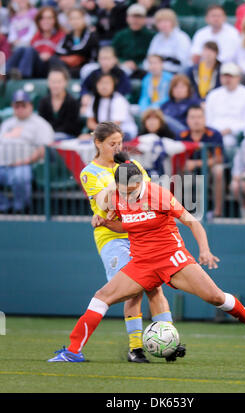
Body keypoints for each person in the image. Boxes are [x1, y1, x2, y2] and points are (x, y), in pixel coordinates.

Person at [48, 150, 245, 362]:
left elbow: (192, 222)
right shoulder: (115, 197)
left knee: (215, 297)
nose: (131, 193)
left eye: (135, 189)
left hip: (172, 259)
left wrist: (204, 250)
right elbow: (125, 227)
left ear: (141, 182)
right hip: (142, 263)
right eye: (126, 190)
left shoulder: (158, 194)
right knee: (101, 297)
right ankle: (73, 351)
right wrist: (105, 221)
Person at [64, 121, 185, 363]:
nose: (118, 148)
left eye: (120, 143)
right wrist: (118, 181)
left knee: (154, 287)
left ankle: (169, 342)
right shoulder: (90, 172)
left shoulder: (133, 165)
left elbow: (146, 195)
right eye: (112, 144)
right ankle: (135, 348)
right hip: (112, 237)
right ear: (98, 143)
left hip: (139, 234)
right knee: (134, 289)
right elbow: (104, 203)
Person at [0, 90, 54, 213]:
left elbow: (43, 150)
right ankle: (4, 207)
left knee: (20, 177)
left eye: (23, 105)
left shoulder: (40, 123)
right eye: (16, 105)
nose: (20, 108)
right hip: (3, 166)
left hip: (26, 165)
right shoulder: (7, 123)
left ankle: (20, 209)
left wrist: (23, 162)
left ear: (30, 106)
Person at [176, 105, 224, 219]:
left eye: (199, 117)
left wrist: (196, 163)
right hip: (188, 172)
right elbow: (177, 159)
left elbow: (219, 158)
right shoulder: (181, 136)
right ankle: (177, 211)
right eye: (192, 117)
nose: (196, 121)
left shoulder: (214, 135)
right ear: (187, 120)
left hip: (209, 171)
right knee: (176, 172)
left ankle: (218, 212)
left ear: (205, 119)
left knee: (219, 171)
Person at [205, 62, 245, 159]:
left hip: (235, 135)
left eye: (231, 76)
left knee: (227, 144)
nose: (227, 79)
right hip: (214, 133)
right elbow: (208, 120)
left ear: (238, 78)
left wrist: (230, 130)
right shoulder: (213, 95)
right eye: (225, 76)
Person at [6, 6, 65, 79]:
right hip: (35, 64)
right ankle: (5, 73)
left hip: (49, 67)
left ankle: (23, 76)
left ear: (55, 20)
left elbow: (63, 54)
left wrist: (50, 55)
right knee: (21, 49)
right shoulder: (36, 36)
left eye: (49, 18)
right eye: (42, 18)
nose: (46, 21)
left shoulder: (61, 35)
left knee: (30, 50)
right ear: (39, 21)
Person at [83, 73, 137, 140]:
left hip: (123, 132)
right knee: (83, 138)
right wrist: (94, 134)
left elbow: (114, 126)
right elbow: (90, 122)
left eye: (107, 83)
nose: (104, 86)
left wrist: (94, 135)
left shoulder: (119, 100)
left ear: (113, 85)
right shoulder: (94, 99)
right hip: (103, 133)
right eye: (101, 83)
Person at [52, 7, 99, 78]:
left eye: (78, 18)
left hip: (85, 66)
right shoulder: (68, 36)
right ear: (68, 21)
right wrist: (69, 58)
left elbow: (82, 49)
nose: (75, 21)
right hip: (69, 66)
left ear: (84, 19)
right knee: (53, 60)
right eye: (72, 19)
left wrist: (69, 55)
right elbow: (58, 50)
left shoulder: (90, 34)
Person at [111, 3, 155, 79]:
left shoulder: (151, 36)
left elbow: (154, 55)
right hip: (124, 67)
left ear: (144, 19)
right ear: (127, 18)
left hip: (145, 67)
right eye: (133, 17)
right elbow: (112, 54)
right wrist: (123, 62)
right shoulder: (120, 35)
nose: (136, 20)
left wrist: (138, 64)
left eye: (139, 17)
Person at [38, 67, 82, 140]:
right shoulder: (43, 101)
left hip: (68, 138)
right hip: (48, 137)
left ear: (65, 82)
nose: (55, 85)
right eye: (52, 81)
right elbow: (41, 124)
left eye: (59, 82)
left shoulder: (73, 102)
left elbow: (72, 127)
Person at [146, 8, 192, 74]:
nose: (163, 24)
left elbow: (182, 63)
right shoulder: (157, 38)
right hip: (156, 72)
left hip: (177, 74)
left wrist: (160, 66)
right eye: (160, 22)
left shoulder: (182, 37)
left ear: (173, 22)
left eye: (166, 21)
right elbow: (149, 57)